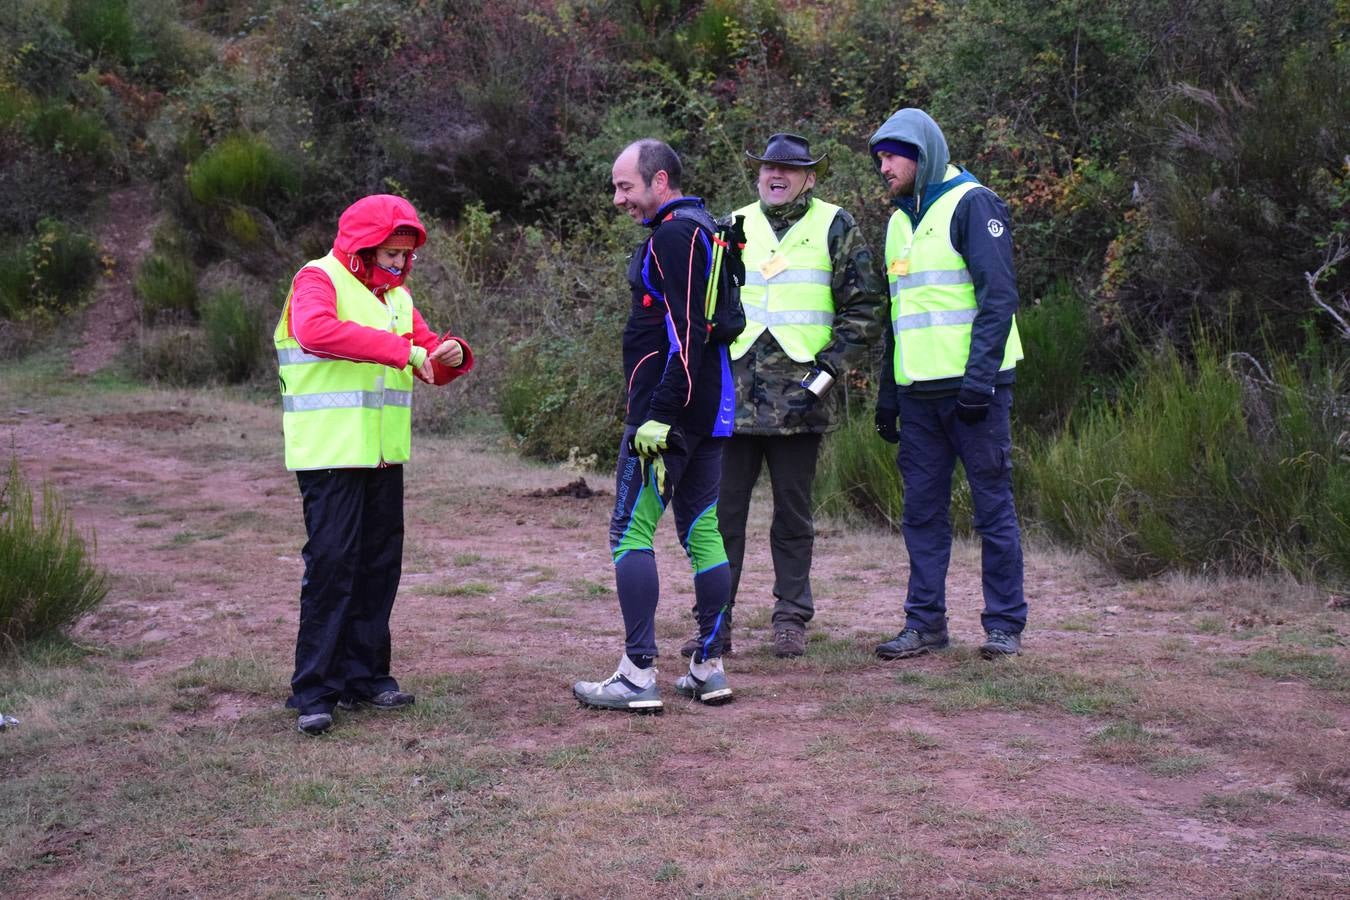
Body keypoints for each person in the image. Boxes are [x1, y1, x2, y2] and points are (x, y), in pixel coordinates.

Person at [679, 133, 885, 659]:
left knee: (793, 518)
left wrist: (825, 376)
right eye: (769, 167)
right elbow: (705, 309)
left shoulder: (836, 225)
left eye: (789, 169)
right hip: (733, 399)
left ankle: (791, 617)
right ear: (757, 173)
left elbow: (865, 308)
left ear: (810, 178)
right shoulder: (731, 225)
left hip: (801, 399)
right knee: (721, 519)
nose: (777, 175)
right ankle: (714, 622)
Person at [274, 194, 474, 735]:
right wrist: (402, 351)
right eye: (391, 254)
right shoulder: (317, 279)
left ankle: (366, 677)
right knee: (333, 565)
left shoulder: (398, 298)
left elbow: (429, 355)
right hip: (330, 454)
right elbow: (315, 332)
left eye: (406, 255)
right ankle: (314, 691)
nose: (400, 264)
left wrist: (451, 352)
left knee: (378, 566)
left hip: (384, 457)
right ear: (363, 248)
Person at [572, 139, 736, 712]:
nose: (618, 198)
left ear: (659, 180)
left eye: (625, 187)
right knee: (703, 532)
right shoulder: (706, 228)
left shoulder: (673, 234)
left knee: (629, 532)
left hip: (667, 414)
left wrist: (658, 414)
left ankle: (638, 674)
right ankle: (707, 668)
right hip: (709, 409)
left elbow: (687, 333)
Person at [867, 108, 1028, 661]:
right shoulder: (896, 222)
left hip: (976, 395)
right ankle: (925, 625)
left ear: (922, 153)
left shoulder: (973, 203)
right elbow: (898, 316)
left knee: (993, 511)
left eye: (891, 155)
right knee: (922, 515)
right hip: (918, 398)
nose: (882, 166)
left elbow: (998, 298)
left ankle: (1004, 626)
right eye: (879, 158)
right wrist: (889, 396)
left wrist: (979, 383)